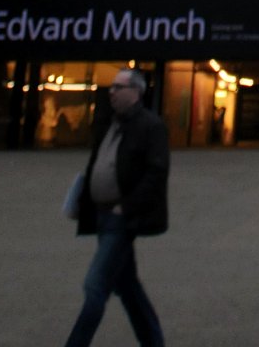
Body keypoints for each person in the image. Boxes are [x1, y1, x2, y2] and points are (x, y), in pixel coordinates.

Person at [64, 68, 169, 347]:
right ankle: (153, 342)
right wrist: (84, 198)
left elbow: (157, 173)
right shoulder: (109, 124)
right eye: (111, 87)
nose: (111, 91)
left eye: (118, 87)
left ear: (135, 92)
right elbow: (99, 165)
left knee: (95, 285)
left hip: (120, 219)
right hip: (101, 214)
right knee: (127, 286)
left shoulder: (151, 126)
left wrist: (126, 207)